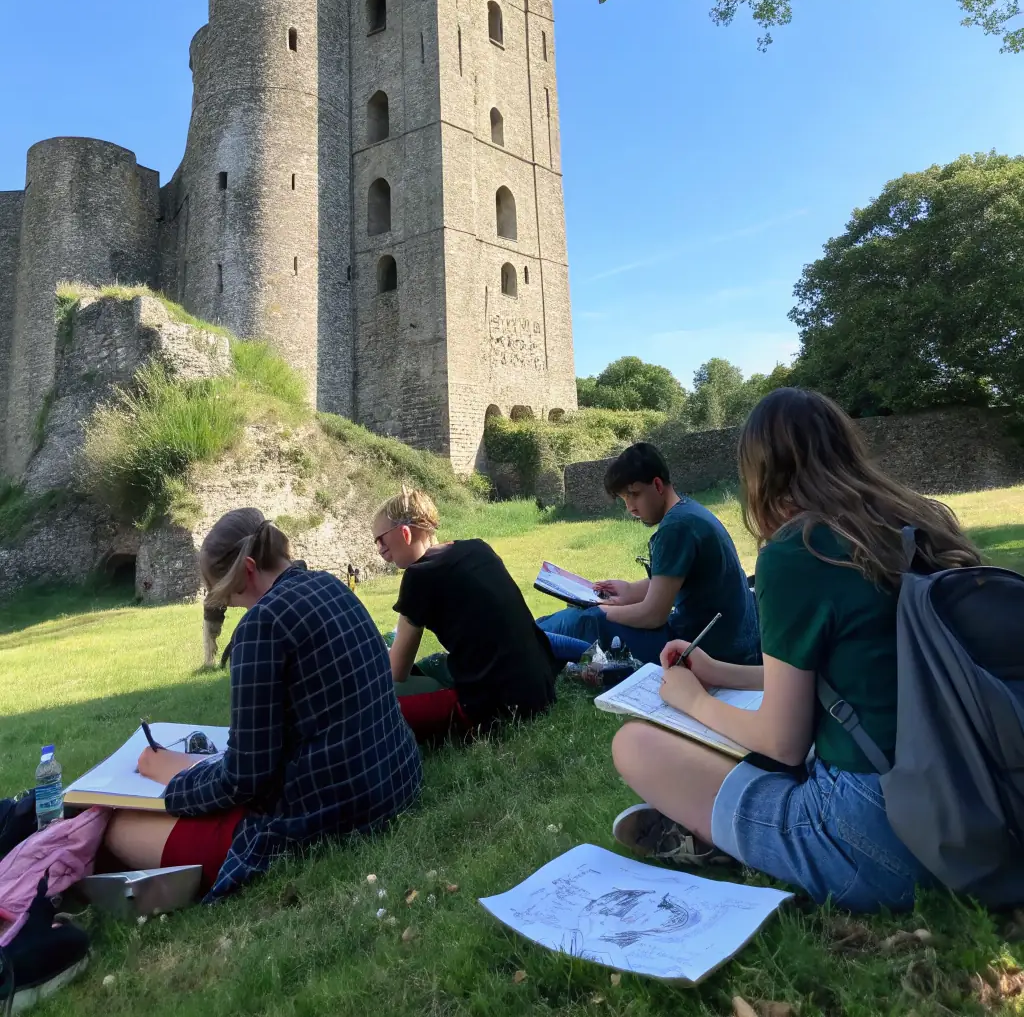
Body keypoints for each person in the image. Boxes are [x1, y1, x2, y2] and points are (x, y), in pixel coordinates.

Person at [610, 388, 981, 913]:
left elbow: (782, 742)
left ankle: (737, 842)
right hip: (971, 790)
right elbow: (848, 668)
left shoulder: (798, 549)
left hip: (884, 835)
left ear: (759, 472)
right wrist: (719, 672)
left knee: (635, 746)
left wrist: (692, 700)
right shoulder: (920, 522)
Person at [103, 510, 422, 899]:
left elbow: (243, 778)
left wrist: (175, 779)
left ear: (249, 570)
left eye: (230, 596)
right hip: (394, 780)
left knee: (116, 827)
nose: (235, 607)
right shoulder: (331, 585)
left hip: (331, 815)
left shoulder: (262, 625)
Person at [537, 443, 760, 666]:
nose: (630, 508)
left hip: (709, 650)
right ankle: (529, 633)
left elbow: (653, 615)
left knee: (585, 622)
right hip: (735, 643)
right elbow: (673, 579)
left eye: (634, 495)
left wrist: (602, 611)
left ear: (657, 484)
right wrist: (629, 590)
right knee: (579, 618)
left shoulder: (676, 527)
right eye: (624, 499)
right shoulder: (689, 511)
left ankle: (524, 640)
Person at [374, 488, 558, 742]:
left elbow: (396, 672)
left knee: (372, 706)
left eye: (381, 539)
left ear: (405, 533)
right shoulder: (477, 548)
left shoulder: (419, 576)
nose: (380, 549)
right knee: (434, 664)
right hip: (540, 687)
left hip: (495, 708)